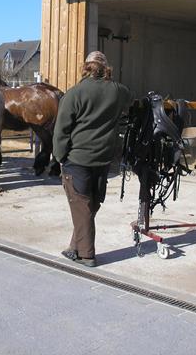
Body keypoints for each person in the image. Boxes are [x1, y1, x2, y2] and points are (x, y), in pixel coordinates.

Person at [53, 51, 137, 267]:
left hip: (77, 159)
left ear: (86, 67)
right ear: (105, 68)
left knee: (82, 206)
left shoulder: (74, 93)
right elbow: (132, 99)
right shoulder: (118, 91)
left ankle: (86, 255)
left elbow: (61, 130)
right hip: (104, 159)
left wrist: (60, 156)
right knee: (89, 206)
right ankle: (74, 246)